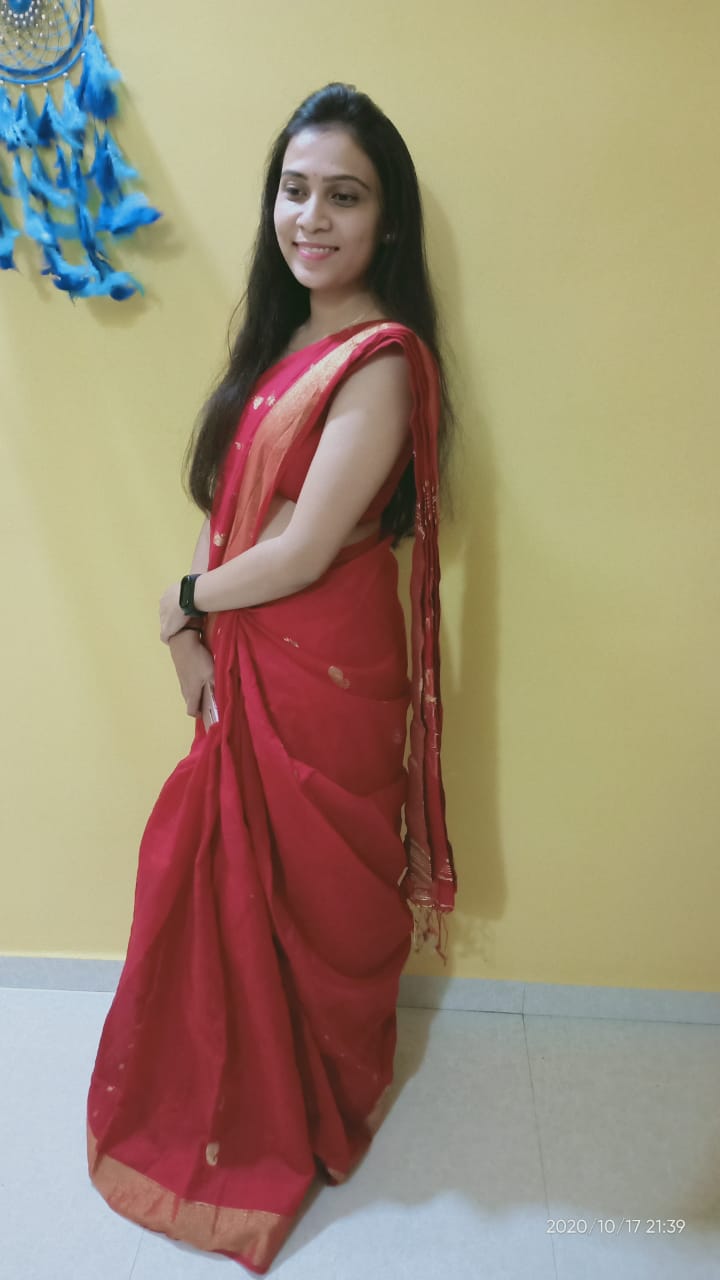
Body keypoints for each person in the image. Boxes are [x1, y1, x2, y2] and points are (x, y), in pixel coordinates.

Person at [86, 81, 457, 1274]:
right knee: (222, 876)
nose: (312, 217)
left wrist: (181, 602)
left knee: (318, 894)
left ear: (385, 222)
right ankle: (231, 1079)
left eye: (344, 195)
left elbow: (301, 547)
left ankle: (317, 1093)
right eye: (295, 190)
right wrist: (192, 627)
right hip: (246, 648)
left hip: (324, 666)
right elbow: (233, 503)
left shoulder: (382, 362)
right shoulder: (281, 338)